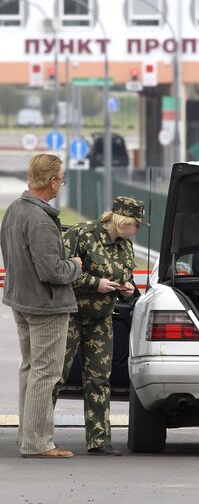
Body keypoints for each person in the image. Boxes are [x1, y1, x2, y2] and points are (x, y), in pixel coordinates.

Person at [0, 154, 82, 458]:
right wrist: (74, 265)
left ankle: (28, 436)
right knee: (46, 374)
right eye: (61, 178)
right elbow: (52, 272)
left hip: (20, 300)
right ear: (51, 181)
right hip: (45, 306)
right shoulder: (40, 220)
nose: (61, 183)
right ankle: (37, 443)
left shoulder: (14, 210)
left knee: (30, 370)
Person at [54, 196, 145, 456]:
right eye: (136, 225)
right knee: (55, 375)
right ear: (123, 221)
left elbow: (126, 276)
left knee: (98, 379)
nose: (137, 231)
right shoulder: (82, 234)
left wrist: (127, 289)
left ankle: (98, 439)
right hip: (70, 314)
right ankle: (39, 435)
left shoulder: (125, 246)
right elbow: (60, 271)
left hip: (101, 318)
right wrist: (96, 284)